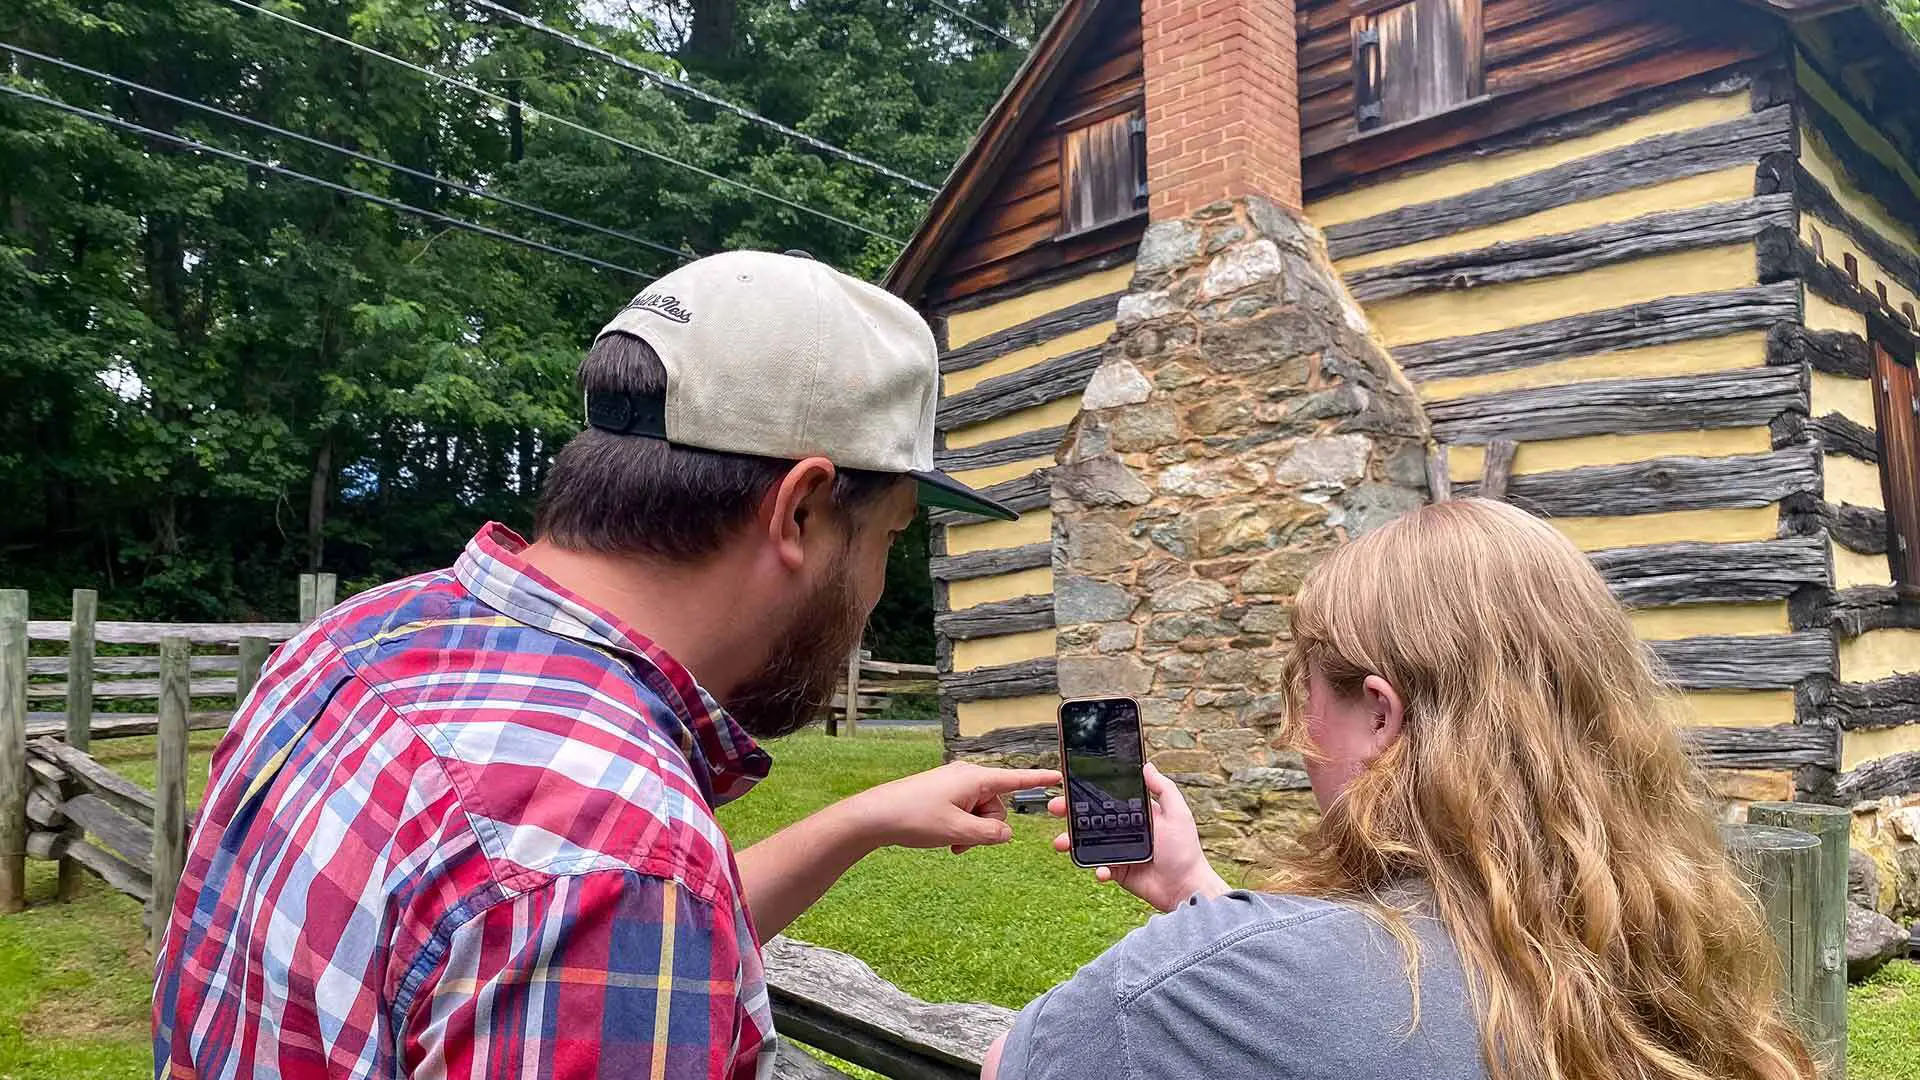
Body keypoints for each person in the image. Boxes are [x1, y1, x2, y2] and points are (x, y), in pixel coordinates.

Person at [152, 251, 1058, 1080]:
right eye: (890, 538)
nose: (870, 595)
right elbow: (598, 889)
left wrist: (852, 822)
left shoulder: (359, 640)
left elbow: (528, 921)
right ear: (802, 512)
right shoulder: (612, 868)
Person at [985, 498, 1816, 1080]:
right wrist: (1199, 893)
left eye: (1300, 692)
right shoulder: (1661, 954)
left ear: (1380, 716)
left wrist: (1216, 942)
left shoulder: (1188, 988)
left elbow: (1012, 1066)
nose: (1293, 735)